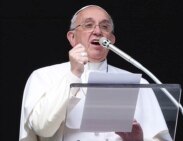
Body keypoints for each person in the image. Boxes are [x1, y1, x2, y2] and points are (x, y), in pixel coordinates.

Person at [19, 5, 173, 141]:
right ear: (72, 37)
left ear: (111, 40)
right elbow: (42, 129)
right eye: (88, 25)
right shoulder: (44, 76)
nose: (98, 31)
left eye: (105, 27)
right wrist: (73, 74)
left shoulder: (138, 84)